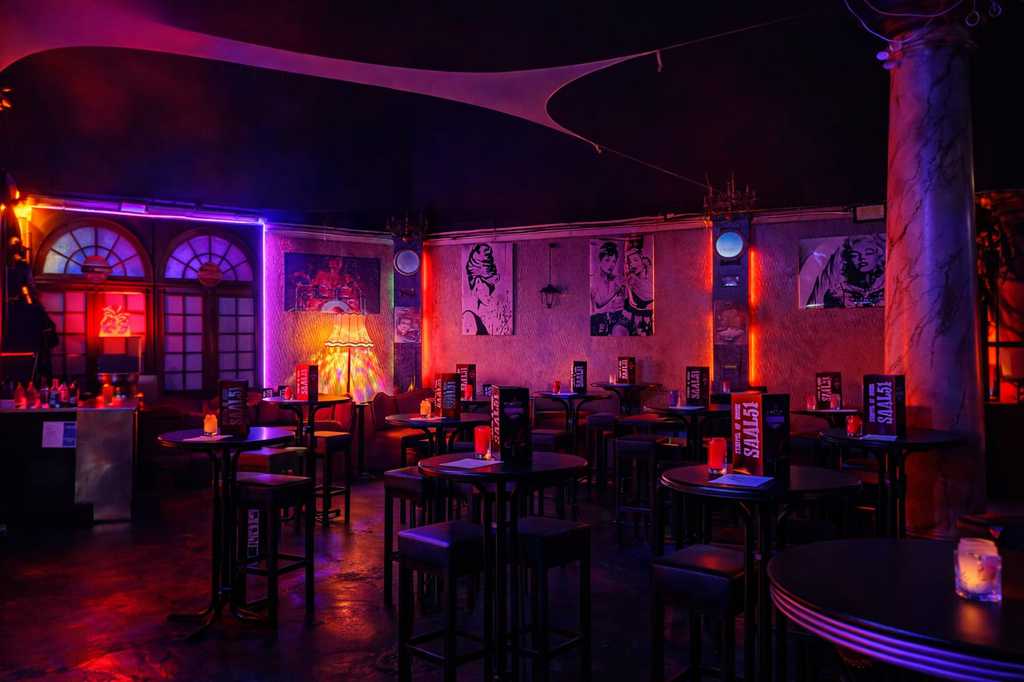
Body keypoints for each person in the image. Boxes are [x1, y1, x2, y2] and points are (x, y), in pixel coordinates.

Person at [805, 234, 885, 308]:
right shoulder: (838, 292)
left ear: (879, 255)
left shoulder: (886, 287)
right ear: (848, 259)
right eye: (855, 255)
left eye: (869, 253)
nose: (862, 258)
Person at [463, 244, 510, 335]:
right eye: (489, 286)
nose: (492, 292)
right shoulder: (469, 317)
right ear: (478, 283)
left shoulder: (485, 315)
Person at [590, 241, 627, 336]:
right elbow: (599, 303)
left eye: (614, 261)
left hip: (613, 319)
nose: (611, 265)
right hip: (597, 321)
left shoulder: (614, 280)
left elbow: (620, 303)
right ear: (600, 260)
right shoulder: (593, 279)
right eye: (607, 260)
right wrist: (615, 292)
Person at [623, 239, 653, 335]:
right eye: (629, 262)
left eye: (635, 260)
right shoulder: (631, 280)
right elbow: (632, 303)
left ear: (642, 260)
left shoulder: (649, 276)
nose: (632, 265)